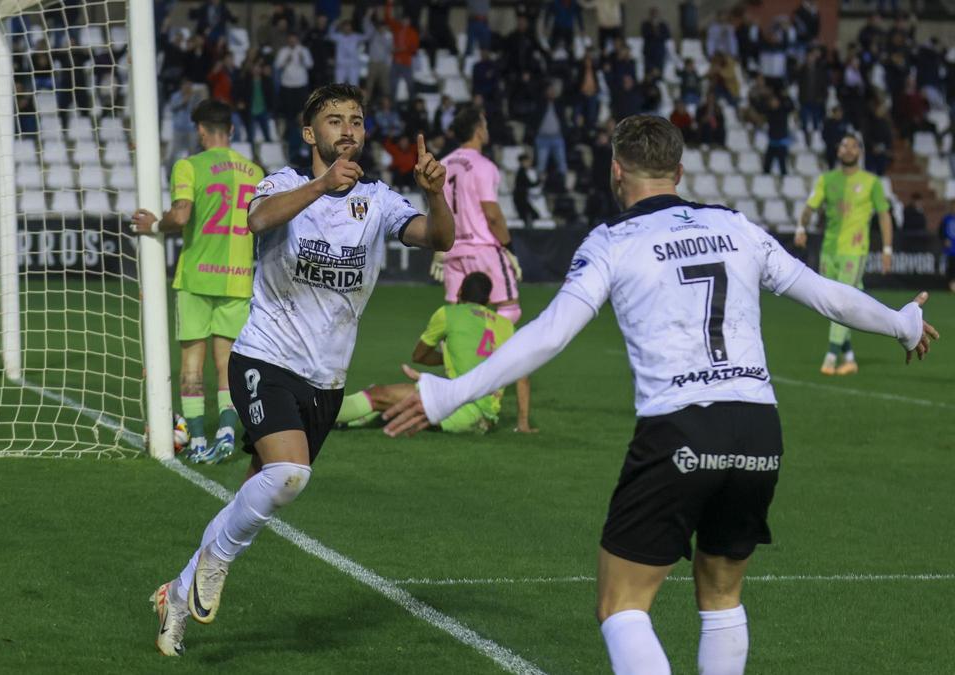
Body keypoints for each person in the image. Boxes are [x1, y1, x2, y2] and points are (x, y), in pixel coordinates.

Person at [382, 115, 939, 675]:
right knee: (721, 598)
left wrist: (448, 393)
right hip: (758, 430)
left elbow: (548, 335)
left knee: (620, 605)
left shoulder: (613, 241)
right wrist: (903, 324)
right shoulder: (737, 227)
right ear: (679, 170)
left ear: (616, 170)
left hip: (680, 430)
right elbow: (829, 298)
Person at [154, 83, 455, 658]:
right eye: (335, 120)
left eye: (357, 121)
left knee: (260, 488)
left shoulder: (380, 201)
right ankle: (214, 563)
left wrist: (436, 195)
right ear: (309, 133)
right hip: (265, 358)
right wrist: (322, 185)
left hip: (326, 382)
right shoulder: (285, 183)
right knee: (289, 474)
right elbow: (258, 219)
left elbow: (439, 237)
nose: (348, 129)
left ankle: (178, 590)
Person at [131, 100, 265, 463]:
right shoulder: (255, 172)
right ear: (232, 131)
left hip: (196, 278)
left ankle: (198, 438)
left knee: (192, 363)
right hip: (238, 279)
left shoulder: (188, 166)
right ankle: (225, 429)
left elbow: (182, 214)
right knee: (228, 364)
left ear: (201, 131)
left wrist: (155, 225)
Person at [336, 271, 533, 432]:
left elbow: (419, 356)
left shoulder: (449, 314)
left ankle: (326, 414)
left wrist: (449, 357)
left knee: (378, 393)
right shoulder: (507, 326)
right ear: (489, 299)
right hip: (486, 416)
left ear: (459, 292)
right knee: (396, 401)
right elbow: (522, 377)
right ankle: (345, 423)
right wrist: (523, 423)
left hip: (460, 406)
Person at [795, 134, 894, 375]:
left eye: (853, 146)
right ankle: (849, 358)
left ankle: (830, 357)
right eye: (844, 145)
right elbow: (810, 207)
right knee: (835, 304)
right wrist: (801, 227)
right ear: (838, 152)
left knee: (841, 303)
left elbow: (883, 215)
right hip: (829, 250)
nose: (848, 149)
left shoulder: (872, 182)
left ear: (859, 152)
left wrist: (887, 249)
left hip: (855, 251)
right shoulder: (827, 180)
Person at [432, 106, 524, 323]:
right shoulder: (484, 166)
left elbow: (436, 212)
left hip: (453, 251)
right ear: (479, 131)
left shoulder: (443, 165)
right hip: (483, 248)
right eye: (485, 124)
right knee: (509, 308)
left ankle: (461, 353)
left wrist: (438, 249)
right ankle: (486, 348)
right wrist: (509, 248)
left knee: (457, 316)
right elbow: (492, 215)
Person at [942, 201, 955, 293]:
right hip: (950, 250)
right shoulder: (946, 219)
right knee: (950, 267)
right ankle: (950, 286)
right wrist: (944, 239)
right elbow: (941, 232)